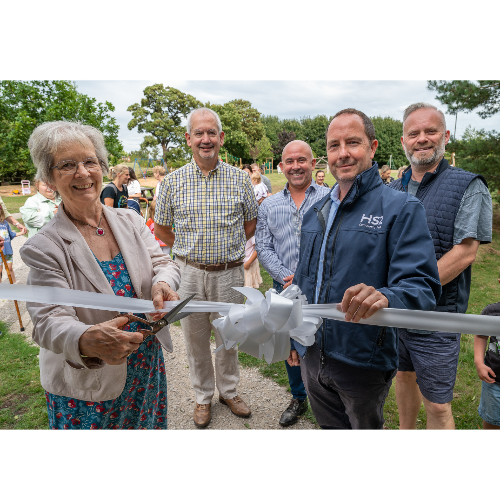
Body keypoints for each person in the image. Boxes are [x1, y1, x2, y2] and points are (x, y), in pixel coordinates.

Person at [20, 121, 181, 430]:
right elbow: (47, 320)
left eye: (89, 161)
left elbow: (164, 263)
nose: (82, 173)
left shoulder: (130, 220)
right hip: (89, 382)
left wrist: (163, 283)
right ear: (49, 179)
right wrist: (84, 339)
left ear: (102, 167)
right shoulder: (43, 247)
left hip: (144, 366)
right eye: (67, 165)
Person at [293, 108, 441, 430]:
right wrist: (293, 336)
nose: (342, 153)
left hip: (362, 361)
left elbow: (423, 286)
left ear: (372, 148)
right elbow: (304, 283)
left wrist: (385, 296)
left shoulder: (401, 208)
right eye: (334, 145)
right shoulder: (314, 213)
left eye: (353, 142)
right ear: (326, 155)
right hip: (310, 354)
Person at [154, 107, 258, 428]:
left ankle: (229, 391)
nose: (205, 139)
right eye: (198, 133)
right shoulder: (172, 182)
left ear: (221, 138)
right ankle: (202, 396)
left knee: (229, 337)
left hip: (229, 273)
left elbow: (250, 224)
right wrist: (191, 254)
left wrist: (224, 250)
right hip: (189, 274)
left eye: (211, 132)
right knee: (195, 339)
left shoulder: (241, 179)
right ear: (188, 139)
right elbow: (162, 230)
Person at [391, 102, 492, 430]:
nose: (422, 138)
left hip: (437, 315)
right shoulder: (391, 189)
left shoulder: (469, 185)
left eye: (430, 131)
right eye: (413, 133)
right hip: (394, 313)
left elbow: (464, 253)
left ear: (446, 135)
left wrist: (407, 292)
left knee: (437, 404)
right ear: (403, 141)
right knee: (403, 376)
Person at [256, 140, 330, 426]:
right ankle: (298, 396)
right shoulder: (269, 205)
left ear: (313, 164)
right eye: (289, 161)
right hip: (283, 289)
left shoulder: (331, 198)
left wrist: (306, 276)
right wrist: (286, 276)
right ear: (281, 166)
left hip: (322, 287)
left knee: (322, 343)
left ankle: (327, 398)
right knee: (289, 345)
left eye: (302, 160)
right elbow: (263, 246)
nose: (296, 166)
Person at [474, 272, 500, 430]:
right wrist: (479, 362)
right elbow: (481, 336)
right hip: (494, 381)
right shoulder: (492, 312)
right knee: (491, 423)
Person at [0, 203, 17, 283]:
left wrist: (21, 232)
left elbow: (11, 234)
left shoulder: (5, 223)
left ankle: (13, 284)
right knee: (0, 270)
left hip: (7, 250)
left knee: (10, 268)